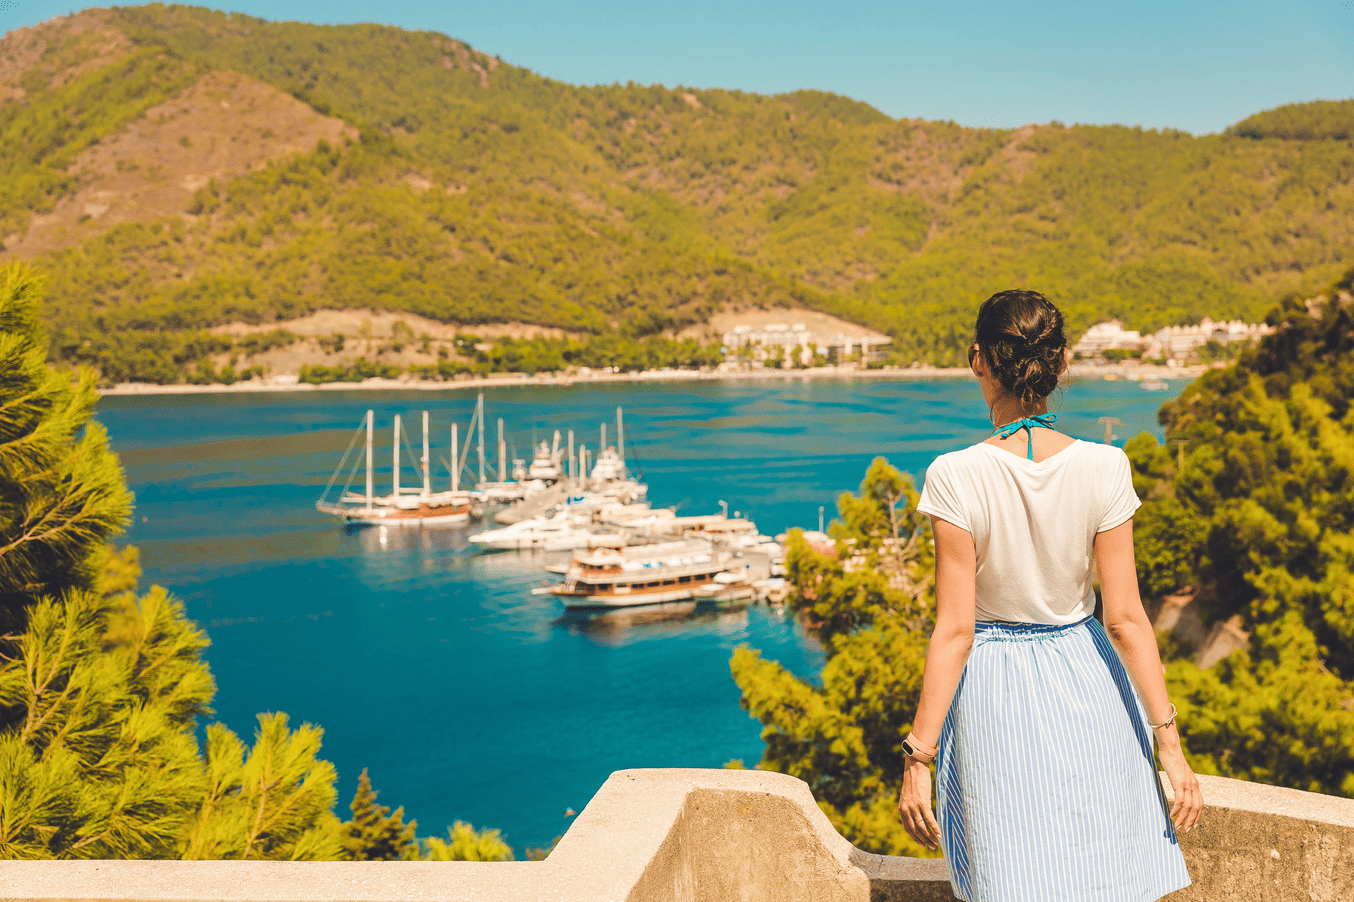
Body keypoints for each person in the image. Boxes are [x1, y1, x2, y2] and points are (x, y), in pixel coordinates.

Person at [897, 289, 1202, 902]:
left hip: (994, 693)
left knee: (1014, 875)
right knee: (1102, 874)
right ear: (1061, 362)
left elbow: (955, 631)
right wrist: (1169, 744)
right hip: (1090, 681)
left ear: (978, 359)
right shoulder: (1106, 466)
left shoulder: (954, 475)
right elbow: (1126, 619)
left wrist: (917, 760)